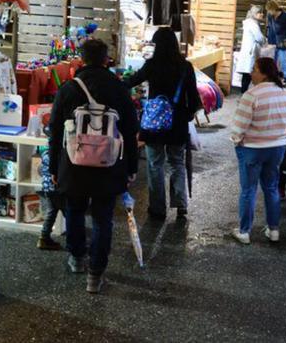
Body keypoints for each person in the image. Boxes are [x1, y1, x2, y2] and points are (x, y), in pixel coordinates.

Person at [48, 39, 139, 293]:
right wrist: (132, 167)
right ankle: (95, 275)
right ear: (106, 59)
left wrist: (54, 168)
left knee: (75, 211)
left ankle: (77, 258)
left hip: (73, 164)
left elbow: (54, 131)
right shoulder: (119, 89)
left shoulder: (69, 88)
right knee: (103, 218)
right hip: (109, 165)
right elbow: (131, 131)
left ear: (82, 59)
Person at [126, 28, 201, 220]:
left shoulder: (152, 65)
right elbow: (193, 97)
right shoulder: (185, 66)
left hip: (154, 123)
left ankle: (157, 208)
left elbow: (133, 81)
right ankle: (181, 206)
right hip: (177, 122)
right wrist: (188, 115)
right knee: (177, 163)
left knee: (155, 164)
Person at [231, 57, 286, 245]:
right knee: (271, 187)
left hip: (252, 148)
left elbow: (239, 125)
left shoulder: (251, 95)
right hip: (277, 147)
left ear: (264, 73)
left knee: (248, 190)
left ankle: (244, 232)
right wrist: (282, 137)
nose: (252, 73)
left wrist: (236, 141)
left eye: (255, 69)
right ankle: (274, 229)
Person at [36, 127, 66, 250]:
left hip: (48, 189)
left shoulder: (45, 153)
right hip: (58, 189)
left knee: (51, 213)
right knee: (69, 213)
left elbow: (40, 171)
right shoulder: (58, 154)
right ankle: (74, 241)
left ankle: (43, 238)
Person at [234, 6, 265, 93]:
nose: (262, 14)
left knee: (247, 74)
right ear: (254, 14)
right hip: (250, 52)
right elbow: (259, 38)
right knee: (248, 74)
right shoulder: (252, 24)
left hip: (248, 51)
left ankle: (244, 93)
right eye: (260, 12)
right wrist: (264, 39)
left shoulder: (249, 23)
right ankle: (244, 93)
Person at [266, 0, 286, 85]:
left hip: (283, 42)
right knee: (273, 60)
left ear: (274, 9)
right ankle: (273, 77)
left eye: (270, 10)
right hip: (273, 41)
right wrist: (269, 41)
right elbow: (270, 29)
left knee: (283, 60)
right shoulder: (270, 16)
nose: (269, 12)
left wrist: (284, 34)